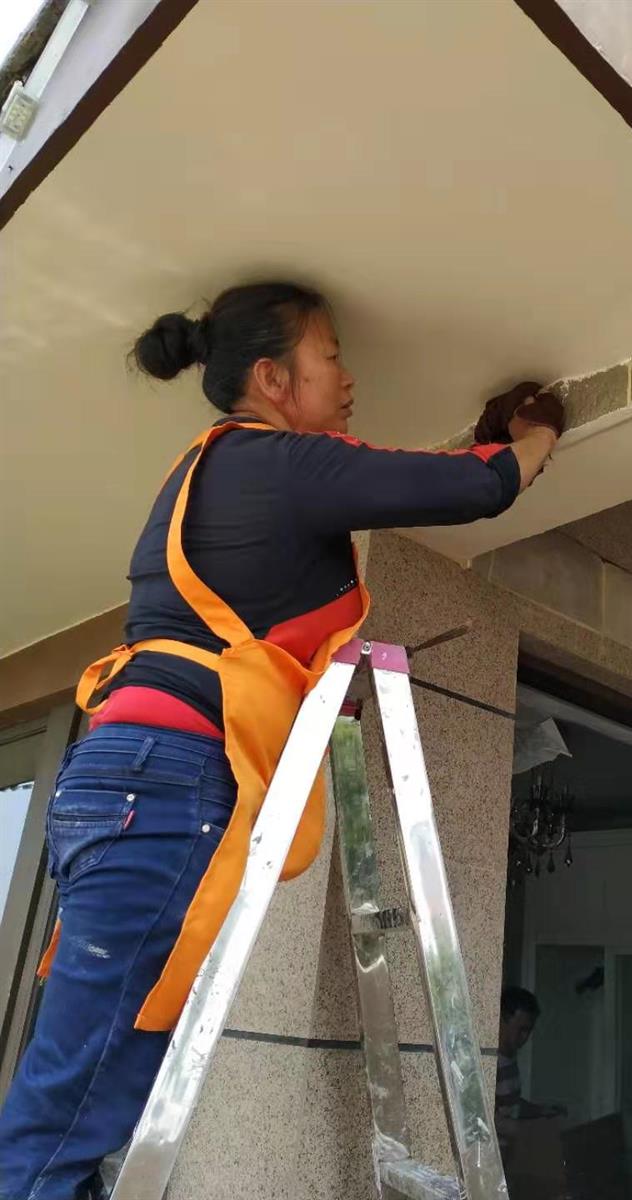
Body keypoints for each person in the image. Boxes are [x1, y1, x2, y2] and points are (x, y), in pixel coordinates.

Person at [0, 281, 562, 1200]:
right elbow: (477, 487)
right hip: (163, 783)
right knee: (69, 1113)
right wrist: (535, 434)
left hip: (132, 779)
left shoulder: (218, 472)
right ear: (272, 378)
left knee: (96, 1082)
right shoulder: (279, 461)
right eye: (330, 355)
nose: (348, 378)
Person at [495, 985, 564, 1131]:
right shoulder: (489, 1060)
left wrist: (542, 1110)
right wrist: (527, 1130)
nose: (526, 1037)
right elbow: (485, 1118)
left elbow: (510, 1106)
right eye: (521, 1029)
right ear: (503, 1020)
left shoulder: (510, 1057)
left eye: (529, 1030)